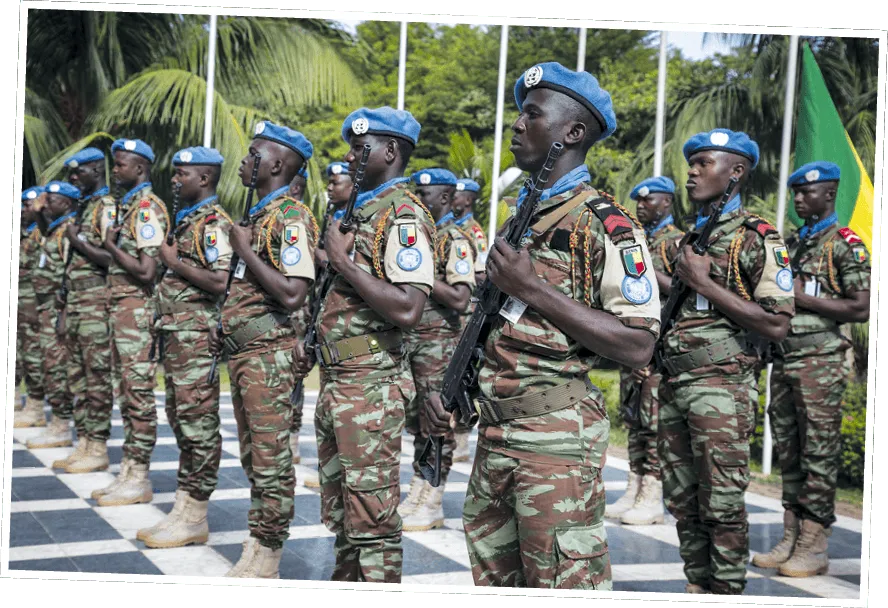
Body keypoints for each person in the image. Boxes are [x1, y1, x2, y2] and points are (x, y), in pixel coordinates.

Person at [423, 61, 661, 590]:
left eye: (532, 114)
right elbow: (494, 327)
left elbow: (639, 344)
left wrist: (532, 288)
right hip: (496, 431)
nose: (516, 124)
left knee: (562, 584)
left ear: (573, 132)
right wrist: (454, 393)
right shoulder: (520, 220)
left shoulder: (606, 224)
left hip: (555, 442)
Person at [293, 106, 435, 584]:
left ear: (390, 151)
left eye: (361, 148)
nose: (351, 157)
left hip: (370, 385)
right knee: (343, 516)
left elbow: (409, 308)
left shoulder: (404, 214)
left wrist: (342, 261)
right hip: (340, 380)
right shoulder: (360, 210)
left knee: (372, 521)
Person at [657, 128, 795, 595]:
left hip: (722, 385)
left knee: (721, 499)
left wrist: (705, 284)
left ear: (736, 172)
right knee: (681, 498)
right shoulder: (691, 237)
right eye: (691, 163)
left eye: (704, 163)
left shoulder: (758, 236)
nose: (692, 172)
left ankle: (728, 589)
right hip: (676, 381)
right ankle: (698, 584)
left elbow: (777, 324)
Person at [208, 121, 317, 579]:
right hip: (246, 353)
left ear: (275, 164)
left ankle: (268, 551)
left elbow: (294, 294)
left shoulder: (290, 217)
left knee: (270, 457)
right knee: (254, 453)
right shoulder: (260, 216)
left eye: (253, 154)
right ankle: (257, 540)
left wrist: (245, 251)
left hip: (268, 358)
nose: (244, 161)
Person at [752, 161, 870, 578]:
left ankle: (814, 543)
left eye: (807, 192)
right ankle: (791, 535)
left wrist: (801, 297)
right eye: (796, 193)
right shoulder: (794, 244)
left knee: (819, 451)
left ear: (829, 194)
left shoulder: (844, 243)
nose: (799, 199)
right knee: (790, 450)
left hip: (820, 363)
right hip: (785, 360)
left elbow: (862, 306)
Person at [136, 146, 233, 549]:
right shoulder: (189, 219)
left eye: (182, 174)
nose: (175, 180)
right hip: (178, 338)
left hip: (196, 339)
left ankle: (195, 513)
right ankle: (183, 505)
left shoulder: (214, 224)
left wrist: (173, 262)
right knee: (181, 420)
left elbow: (221, 282)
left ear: (204, 179)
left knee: (198, 426)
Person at [399, 168, 475, 532]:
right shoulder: (418, 235)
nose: (419, 199)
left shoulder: (454, 240)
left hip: (440, 345)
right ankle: (417, 486)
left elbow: (461, 298)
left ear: (444, 198)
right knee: (417, 422)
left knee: (437, 424)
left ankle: (433, 495)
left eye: (426, 194)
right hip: (412, 341)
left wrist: (421, 274)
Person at [607, 176, 683, 525]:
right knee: (634, 417)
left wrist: (649, 272)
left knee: (653, 421)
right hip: (632, 342)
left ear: (666, 202)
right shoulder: (639, 239)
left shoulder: (674, 241)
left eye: (648, 200)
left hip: (659, 347)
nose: (641, 206)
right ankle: (634, 486)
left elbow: (682, 293)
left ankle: (652, 493)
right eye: (638, 201)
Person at [97, 138, 169, 507]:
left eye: (121, 164)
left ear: (140, 169)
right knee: (125, 392)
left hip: (137, 312)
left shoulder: (145, 209)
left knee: (137, 394)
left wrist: (111, 247)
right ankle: (128, 467)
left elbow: (146, 269)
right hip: (121, 310)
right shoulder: (128, 208)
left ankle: (139, 474)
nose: (115, 170)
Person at [53, 148, 116, 474]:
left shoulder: (105, 208)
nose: (73, 179)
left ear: (96, 169)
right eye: (70, 175)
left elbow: (113, 259)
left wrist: (80, 243)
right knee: (76, 378)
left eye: (79, 172)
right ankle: (84, 441)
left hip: (96, 307)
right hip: (76, 306)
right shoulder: (83, 209)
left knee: (96, 379)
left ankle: (98, 446)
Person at [25, 181, 79, 449]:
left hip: (59, 308)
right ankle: (57, 421)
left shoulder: (69, 231)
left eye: (52, 200)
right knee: (50, 364)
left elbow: (71, 276)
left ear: (67, 204)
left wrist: (64, 313)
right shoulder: (55, 229)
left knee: (58, 367)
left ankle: (61, 425)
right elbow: (44, 227)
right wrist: (38, 211)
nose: (45, 204)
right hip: (46, 306)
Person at [450, 177, 485, 463]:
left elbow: (482, 273)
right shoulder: (449, 228)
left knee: (463, 373)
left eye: (459, 195)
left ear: (469, 200)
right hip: (454, 314)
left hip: (467, 311)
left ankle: (461, 437)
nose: (454, 199)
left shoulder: (473, 232)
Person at [14, 186, 47, 425]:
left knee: (34, 355)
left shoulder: (43, 234)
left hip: (34, 302)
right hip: (21, 301)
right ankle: (15, 397)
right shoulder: (25, 233)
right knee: (19, 353)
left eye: (29, 205)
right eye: (24, 205)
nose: (25, 209)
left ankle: (35, 405)